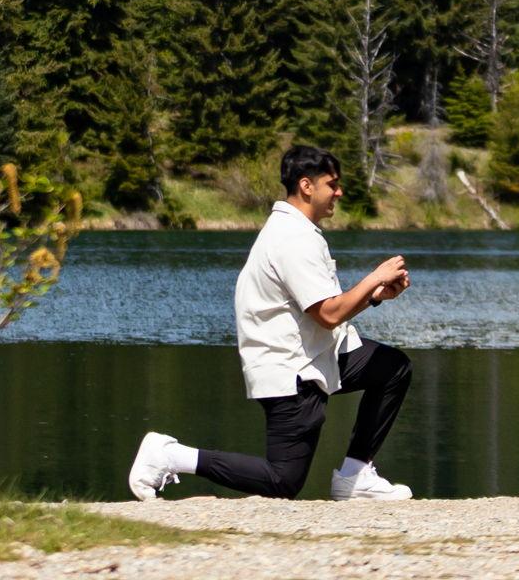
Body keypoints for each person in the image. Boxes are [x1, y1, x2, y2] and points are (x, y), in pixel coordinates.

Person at [129, 145, 415, 502]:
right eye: (333, 184)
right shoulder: (291, 238)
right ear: (307, 186)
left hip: (315, 354)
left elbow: (324, 312)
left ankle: (355, 476)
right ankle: (168, 455)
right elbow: (327, 314)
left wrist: (375, 296)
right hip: (289, 369)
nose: (339, 192)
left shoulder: (297, 230)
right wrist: (374, 278)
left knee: (392, 368)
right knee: (283, 481)